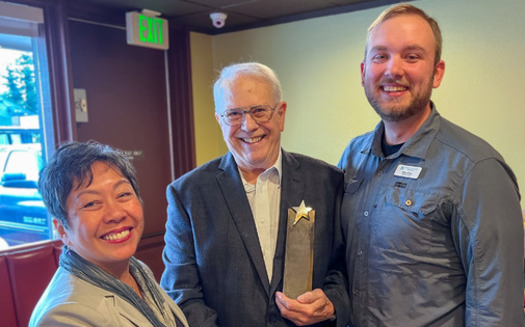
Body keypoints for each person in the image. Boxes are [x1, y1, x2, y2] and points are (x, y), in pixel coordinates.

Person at [337, 3, 524, 326]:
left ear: (436, 72)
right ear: (364, 71)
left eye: (411, 56)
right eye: (380, 56)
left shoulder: (476, 169)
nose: (393, 70)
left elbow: (497, 309)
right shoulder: (353, 157)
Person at [161, 62, 349, 327]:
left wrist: (332, 303)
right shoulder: (188, 195)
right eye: (234, 114)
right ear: (219, 120)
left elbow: (345, 268)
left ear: (281, 114)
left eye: (259, 110)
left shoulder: (328, 182)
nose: (248, 125)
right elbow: (181, 294)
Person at [29, 141, 189, 327]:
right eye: (91, 203)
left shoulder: (135, 269)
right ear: (62, 230)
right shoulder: (64, 317)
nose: (116, 214)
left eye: (123, 194)